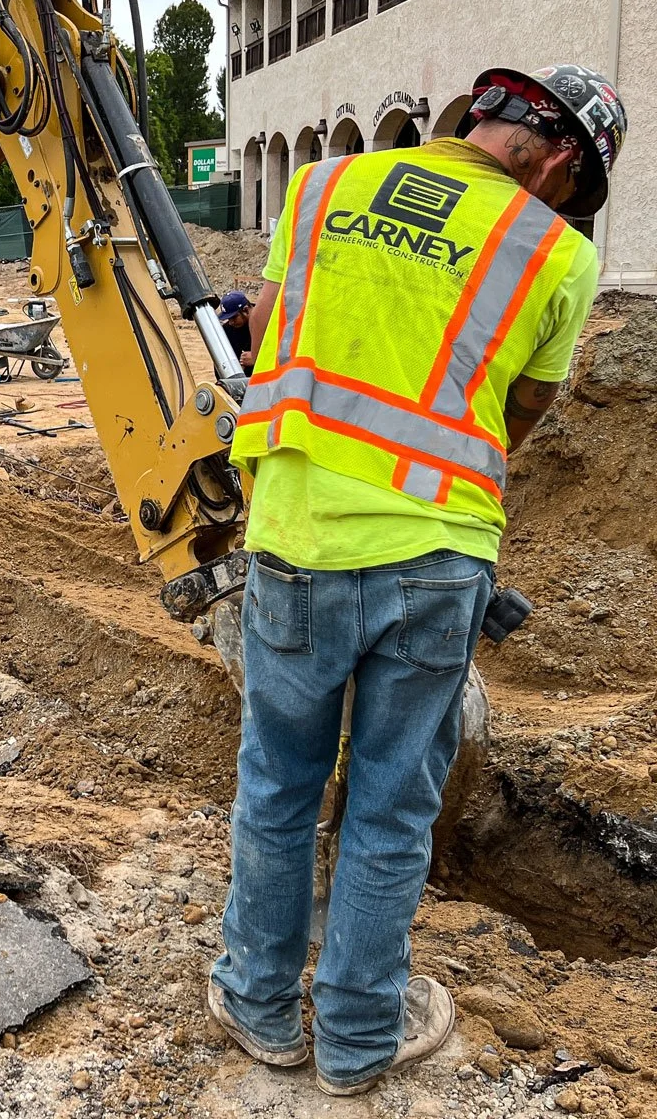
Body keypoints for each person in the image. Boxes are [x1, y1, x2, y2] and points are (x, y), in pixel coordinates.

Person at [210, 66, 625, 1096]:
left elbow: (263, 340)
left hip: (299, 540)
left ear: (481, 117)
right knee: (393, 810)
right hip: (439, 561)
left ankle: (258, 1007)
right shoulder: (558, 257)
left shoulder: (320, 188)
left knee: (277, 788)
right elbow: (514, 421)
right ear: (562, 160)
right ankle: (355, 1041)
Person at [217, 291, 256, 368]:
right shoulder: (228, 330)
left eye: (234, 317)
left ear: (246, 310)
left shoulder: (267, 320)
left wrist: (257, 358)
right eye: (228, 318)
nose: (231, 322)